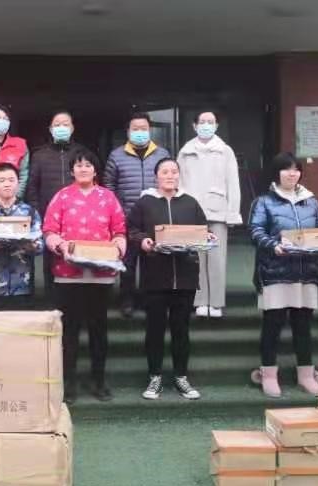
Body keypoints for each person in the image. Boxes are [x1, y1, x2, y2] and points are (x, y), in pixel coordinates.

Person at [43, 150, 126, 404]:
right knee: (70, 332)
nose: (83, 169)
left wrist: (118, 249)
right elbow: (49, 230)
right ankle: (69, 384)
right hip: (68, 275)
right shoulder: (61, 197)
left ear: (95, 170)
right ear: (72, 171)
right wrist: (61, 246)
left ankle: (98, 381)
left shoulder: (108, 197)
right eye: (78, 165)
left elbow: (119, 231)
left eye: (88, 165)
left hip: (100, 276)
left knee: (98, 331)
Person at [248, 152, 318, 398]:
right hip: (275, 272)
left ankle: (306, 375)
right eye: (286, 169)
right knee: (272, 325)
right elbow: (255, 230)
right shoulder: (263, 202)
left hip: (306, 272)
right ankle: (269, 374)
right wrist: (273, 245)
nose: (292, 174)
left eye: (296, 169)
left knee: (303, 326)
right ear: (276, 173)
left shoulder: (311, 201)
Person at [128, 158, 205, 400]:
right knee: (155, 329)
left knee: (181, 329)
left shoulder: (191, 202)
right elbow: (131, 230)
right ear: (156, 176)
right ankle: (155, 377)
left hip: (185, 277)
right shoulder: (145, 202)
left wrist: (208, 238)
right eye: (165, 172)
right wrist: (143, 240)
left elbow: (203, 230)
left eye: (174, 171)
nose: (170, 175)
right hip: (155, 276)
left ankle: (181, 377)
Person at [103, 112, 170, 318]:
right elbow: (109, 185)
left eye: (144, 129)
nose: (140, 132)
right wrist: (116, 212)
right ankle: (127, 299)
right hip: (127, 218)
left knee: (153, 263)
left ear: (150, 130)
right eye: (135, 129)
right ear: (128, 131)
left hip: (154, 217)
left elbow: (168, 182)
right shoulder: (116, 155)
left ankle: (149, 299)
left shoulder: (162, 154)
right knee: (128, 263)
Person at [177, 111, 242, 318]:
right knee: (196, 259)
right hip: (192, 211)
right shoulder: (185, 151)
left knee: (216, 259)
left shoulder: (225, 151)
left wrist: (232, 212)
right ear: (194, 126)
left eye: (210, 122)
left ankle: (216, 302)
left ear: (216, 126)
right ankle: (200, 301)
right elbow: (179, 182)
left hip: (217, 210)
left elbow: (233, 183)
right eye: (202, 122)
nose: (206, 125)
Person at [27, 110, 93, 301]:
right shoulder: (39, 155)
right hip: (49, 218)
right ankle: (52, 300)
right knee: (51, 260)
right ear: (50, 129)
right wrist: (37, 214)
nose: (61, 128)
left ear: (72, 128)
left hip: (78, 218)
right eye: (57, 125)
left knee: (77, 257)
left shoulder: (81, 153)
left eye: (65, 124)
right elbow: (32, 187)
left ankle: (78, 301)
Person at [0, 162, 43, 309]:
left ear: (18, 183)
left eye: (11, 180)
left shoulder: (30, 212)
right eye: (2, 180)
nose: (7, 184)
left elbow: (40, 243)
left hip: (23, 284)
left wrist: (33, 246)